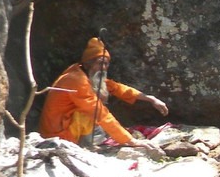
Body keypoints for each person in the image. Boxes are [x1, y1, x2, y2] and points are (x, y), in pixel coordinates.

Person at [40, 37, 168, 149]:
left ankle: (97, 139)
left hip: (64, 128)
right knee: (92, 112)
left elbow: (118, 88)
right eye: (100, 63)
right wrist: (130, 140)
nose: (104, 68)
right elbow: (99, 112)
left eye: (106, 64)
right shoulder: (76, 80)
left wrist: (150, 99)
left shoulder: (84, 74)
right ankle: (87, 144)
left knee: (96, 108)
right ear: (87, 64)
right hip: (57, 135)